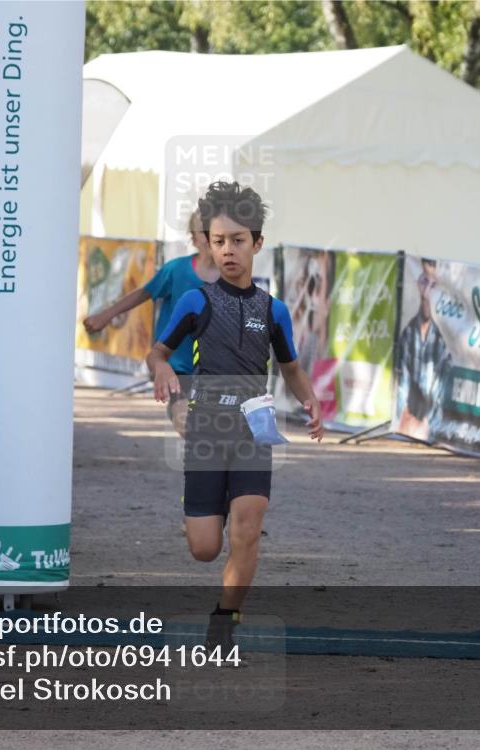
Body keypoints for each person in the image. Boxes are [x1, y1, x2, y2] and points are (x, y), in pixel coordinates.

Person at [146, 181, 324, 652]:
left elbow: (290, 367)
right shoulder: (196, 302)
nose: (228, 250)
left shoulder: (274, 310)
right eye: (218, 241)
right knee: (205, 548)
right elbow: (157, 352)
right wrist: (163, 371)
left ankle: (226, 618)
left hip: (253, 430)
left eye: (238, 240)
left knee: (248, 525)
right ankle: (203, 514)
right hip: (206, 431)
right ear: (207, 243)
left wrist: (309, 400)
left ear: (257, 243)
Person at [84, 209, 218, 436]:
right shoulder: (176, 270)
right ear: (194, 239)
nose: (210, 237)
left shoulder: (232, 276)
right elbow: (143, 293)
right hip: (175, 364)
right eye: (203, 232)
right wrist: (106, 315)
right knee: (184, 416)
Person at [395, 258, 450, 441]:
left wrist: (430, 424)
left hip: (428, 427)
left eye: (433, 285)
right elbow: (402, 382)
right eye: (424, 282)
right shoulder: (408, 334)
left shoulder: (443, 342)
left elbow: (441, 393)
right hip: (408, 422)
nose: (427, 292)